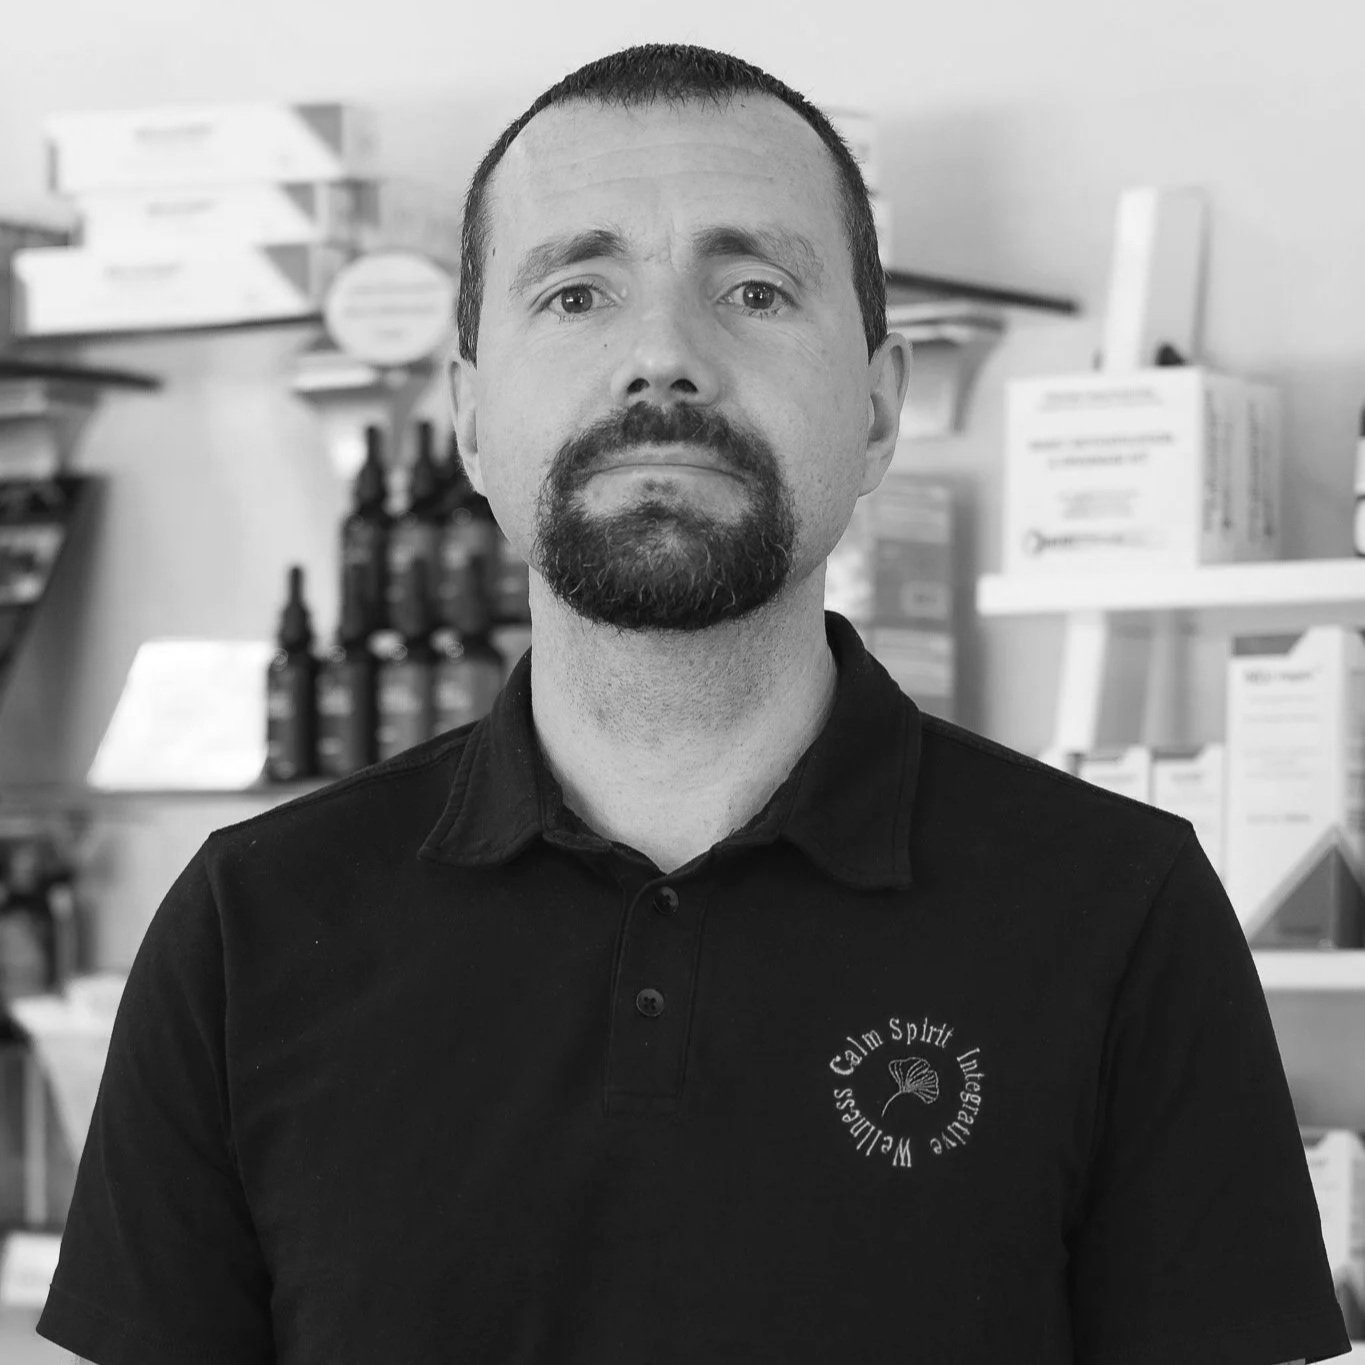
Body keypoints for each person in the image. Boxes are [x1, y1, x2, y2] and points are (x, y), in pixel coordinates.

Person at [37, 42, 1345, 1365]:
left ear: (878, 410)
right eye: (577, 294)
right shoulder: (249, 929)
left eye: (754, 290)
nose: (662, 357)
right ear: (470, 418)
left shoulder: (1119, 911)